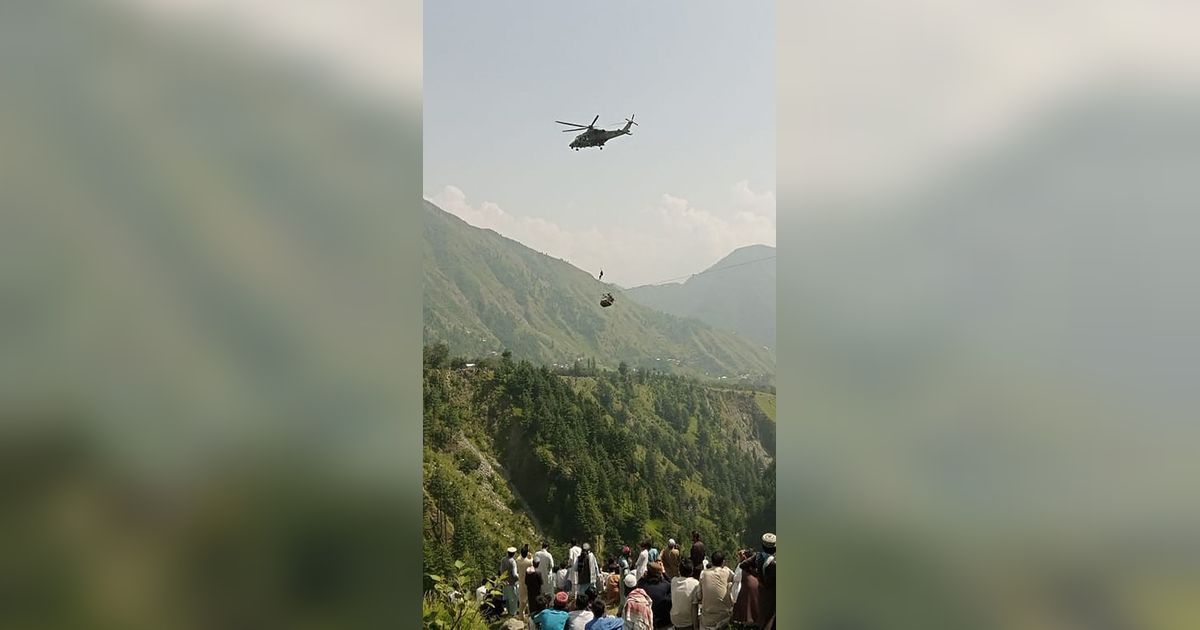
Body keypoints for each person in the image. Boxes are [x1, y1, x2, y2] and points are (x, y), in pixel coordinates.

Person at [696, 551, 734, 630]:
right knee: (730, 585)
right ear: (723, 562)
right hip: (724, 618)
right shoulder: (727, 571)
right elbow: (736, 578)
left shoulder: (703, 573)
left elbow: (699, 595)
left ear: (711, 561)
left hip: (707, 620)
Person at [637, 562, 673, 629]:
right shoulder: (665, 585)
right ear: (660, 574)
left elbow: (638, 583)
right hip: (665, 623)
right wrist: (664, 572)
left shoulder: (641, 585)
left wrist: (643, 577)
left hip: (648, 622)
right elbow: (672, 584)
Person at [669, 558, 701, 630]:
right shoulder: (695, 583)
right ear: (692, 571)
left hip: (675, 620)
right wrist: (696, 627)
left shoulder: (673, 581)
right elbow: (694, 608)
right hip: (688, 622)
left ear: (679, 571)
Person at [502, 546, 521, 616]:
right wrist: (521, 577)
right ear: (513, 553)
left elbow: (501, 571)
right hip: (511, 583)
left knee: (507, 598)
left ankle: (508, 612)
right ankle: (513, 614)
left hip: (504, 582)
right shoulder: (513, 562)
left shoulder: (503, 559)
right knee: (513, 599)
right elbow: (514, 574)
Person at [518, 544, 535, 614]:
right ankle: (529, 612)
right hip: (528, 581)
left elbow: (520, 556)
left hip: (521, 580)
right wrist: (531, 557)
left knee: (522, 599)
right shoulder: (529, 562)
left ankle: (521, 614)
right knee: (528, 598)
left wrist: (524, 550)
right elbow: (533, 564)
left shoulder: (518, 560)